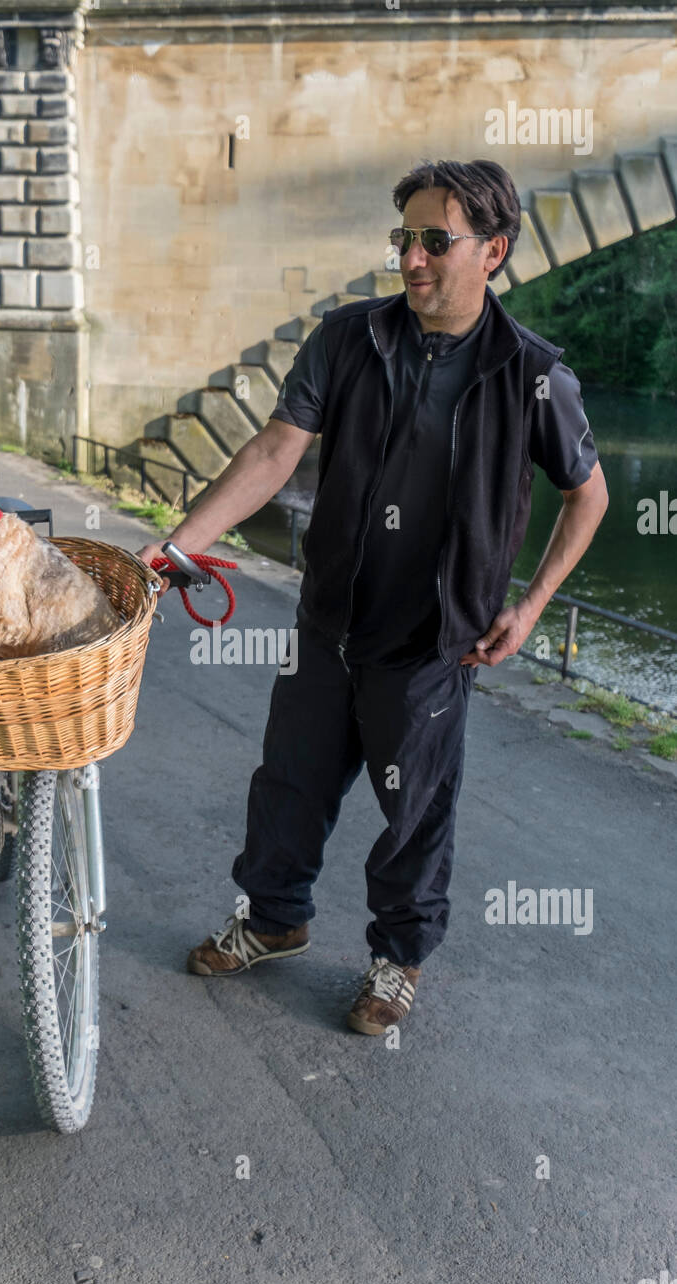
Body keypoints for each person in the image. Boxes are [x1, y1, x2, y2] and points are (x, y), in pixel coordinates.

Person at [137, 158, 609, 1035]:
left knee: (414, 818)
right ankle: (274, 921)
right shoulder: (348, 338)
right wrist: (175, 546)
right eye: (405, 239)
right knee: (289, 786)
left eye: (436, 240)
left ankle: (398, 961)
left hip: (434, 644)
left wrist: (533, 603)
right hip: (329, 624)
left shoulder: (532, 372)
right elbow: (276, 452)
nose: (413, 259)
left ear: (493, 251)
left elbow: (591, 495)